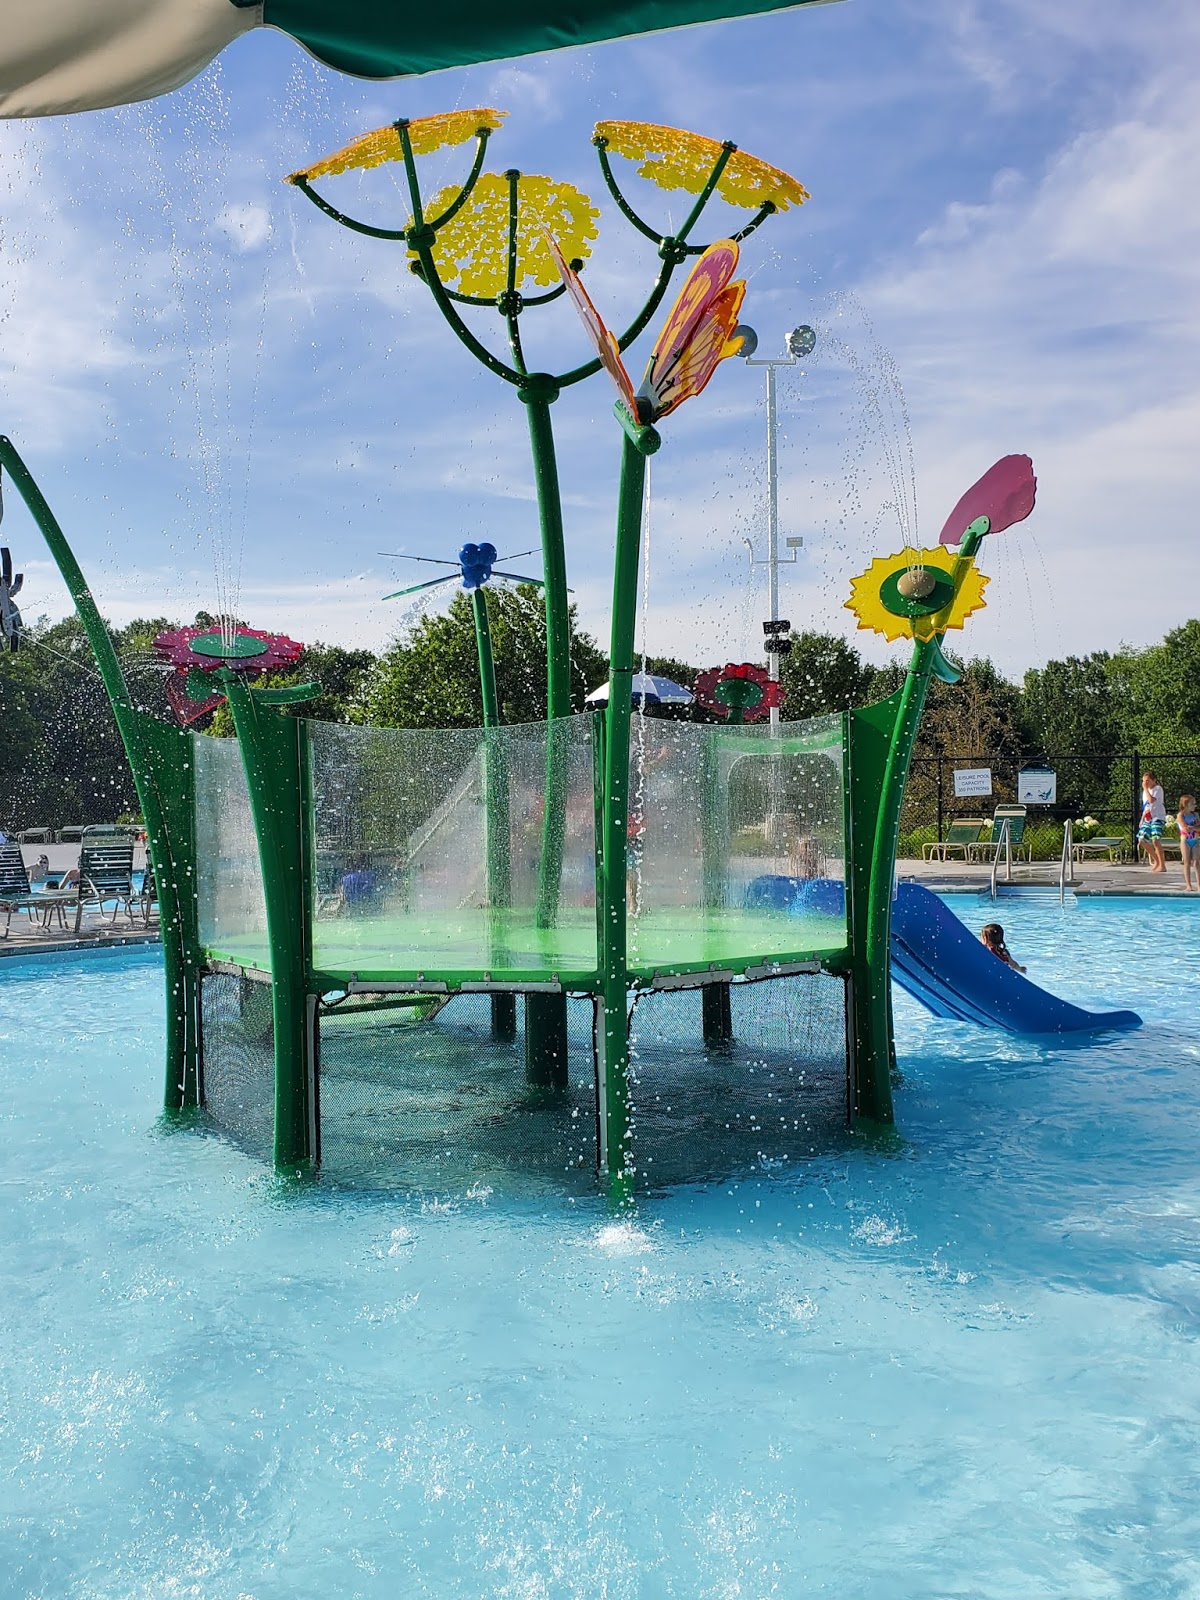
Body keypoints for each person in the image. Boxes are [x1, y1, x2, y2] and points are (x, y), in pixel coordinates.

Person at [1138, 770, 1167, 873]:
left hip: (1157, 817)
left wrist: (1145, 788)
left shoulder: (1158, 789)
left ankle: (1162, 865)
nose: (1145, 783)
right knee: (1142, 840)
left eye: (1147, 780)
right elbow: (1146, 806)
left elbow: (1151, 800)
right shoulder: (1144, 793)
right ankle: (1157, 860)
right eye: (1143, 781)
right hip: (1148, 818)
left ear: (1154, 780)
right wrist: (1142, 820)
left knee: (1155, 840)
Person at [1177, 795, 1200, 892]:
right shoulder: (1181, 815)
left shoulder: (1196, 815)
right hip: (1185, 842)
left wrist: (1193, 828)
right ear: (1185, 805)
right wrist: (1194, 828)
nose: (1194, 805)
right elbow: (1185, 828)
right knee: (1187, 863)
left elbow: (1199, 828)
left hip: (1195, 841)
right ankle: (1188, 885)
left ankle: (1199, 885)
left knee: (1197, 862)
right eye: (1192, 803)